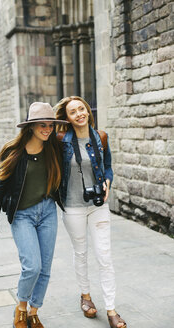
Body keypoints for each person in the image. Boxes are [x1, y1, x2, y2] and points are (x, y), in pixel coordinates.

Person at [0, 102, 68, 328]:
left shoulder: (54, 149)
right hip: (22, 215)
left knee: (45, 268)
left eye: (50, 125)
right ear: (30, 126)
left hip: (47, 212)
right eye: (42, 125)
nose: (47, 129)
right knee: (32, 266)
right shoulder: (14, 152)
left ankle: (34, 312)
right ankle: (20, 309)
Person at [54, 96, 126, 328]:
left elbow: (108, 166)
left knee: (104, 257)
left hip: (97, 206)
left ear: (88, 110)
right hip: (73, 206)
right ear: (67, 118)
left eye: (81, 109)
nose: (79, 114)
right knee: (81, 253)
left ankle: (111, 309)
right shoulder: (60, 140)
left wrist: (107, 182)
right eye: (73, 112)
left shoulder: (101, 137)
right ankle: (85, 296)